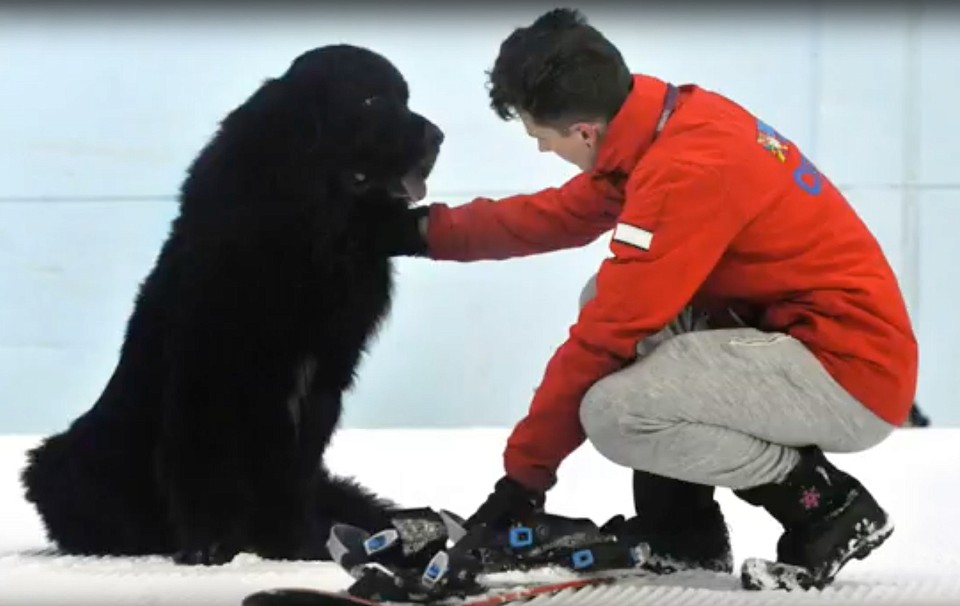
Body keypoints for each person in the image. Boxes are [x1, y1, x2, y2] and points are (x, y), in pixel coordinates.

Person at [382, 8, 917, 590]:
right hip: (799, 338)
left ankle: (828, 508)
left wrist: (521, 485)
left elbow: (605, 336)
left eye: (541, 138)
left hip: (847, 374)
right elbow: (557, 216)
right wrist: (419, 233)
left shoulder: (687, 172)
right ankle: (682, 531)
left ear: (584, 131)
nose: (542, 151)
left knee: (618, 413)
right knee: (618, 315)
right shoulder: (671, 123)